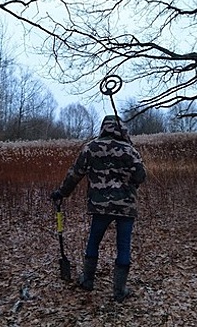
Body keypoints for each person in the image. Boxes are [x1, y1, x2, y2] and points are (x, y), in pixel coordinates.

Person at [51, 115, 146, 303]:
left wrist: (61, 193)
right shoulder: (129, 149)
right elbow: (140, 176)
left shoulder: (91, 148)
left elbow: (75, 174)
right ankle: (119, 291)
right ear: (121, 129)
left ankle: (87, 281)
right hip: (125, 207)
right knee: (123, 246)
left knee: (94, 241)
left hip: (100, 206)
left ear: (103, 128)